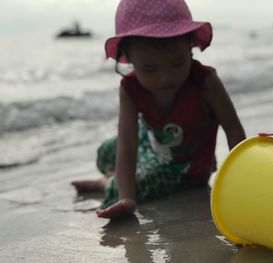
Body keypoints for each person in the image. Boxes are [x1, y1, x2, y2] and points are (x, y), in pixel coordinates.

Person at [71, 0, 246, 219]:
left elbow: (234, 129)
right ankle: (109, 180)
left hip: (185, 170)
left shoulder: (206, 83)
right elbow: (127, 144)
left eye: (177, 63)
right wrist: (128, 198)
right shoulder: (130, 88)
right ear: (129, 58)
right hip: (151, 146)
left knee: (125, 186)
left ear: (190, 47)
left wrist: (242, 183)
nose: (165, 78)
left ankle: (105, 183)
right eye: (150, 69)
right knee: (106, 151)